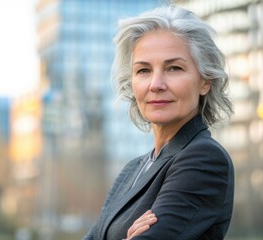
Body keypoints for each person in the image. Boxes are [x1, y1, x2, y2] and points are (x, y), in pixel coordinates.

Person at [83, 4, 234, 240]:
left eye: (174, 68)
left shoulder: (204, 159)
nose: (156, 84)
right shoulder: (132, 169)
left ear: (205, 81)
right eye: (143, 70)